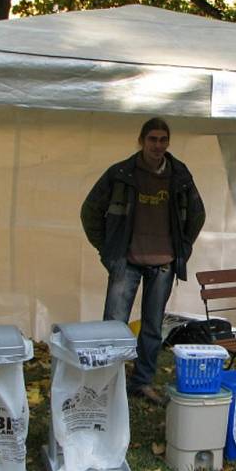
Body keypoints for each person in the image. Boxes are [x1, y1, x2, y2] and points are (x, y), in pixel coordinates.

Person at [81, 118, 206, 405]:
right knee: (114, 325)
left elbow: (197, 215)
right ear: (141, 141)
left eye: (163, 139)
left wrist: (181, 249)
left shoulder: (179, 173)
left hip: (163, 262)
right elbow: (90, 211)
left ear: (168, 142)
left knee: (152, 327)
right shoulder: (121, 173)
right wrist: (108, 250)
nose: (158, 145)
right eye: (153, 139)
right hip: (127, 259)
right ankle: (107, 384)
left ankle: (142, 382)